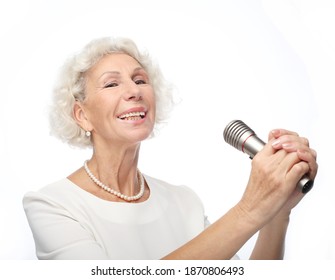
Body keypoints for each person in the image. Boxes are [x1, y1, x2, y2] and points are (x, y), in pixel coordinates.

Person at [23, 37, 318, 260]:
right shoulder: (53, 205)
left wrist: (277, 211)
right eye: (112, 84)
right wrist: (251, 208)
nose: (134, 91)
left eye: (140, 80)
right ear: (82, 115)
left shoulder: (184, 202)